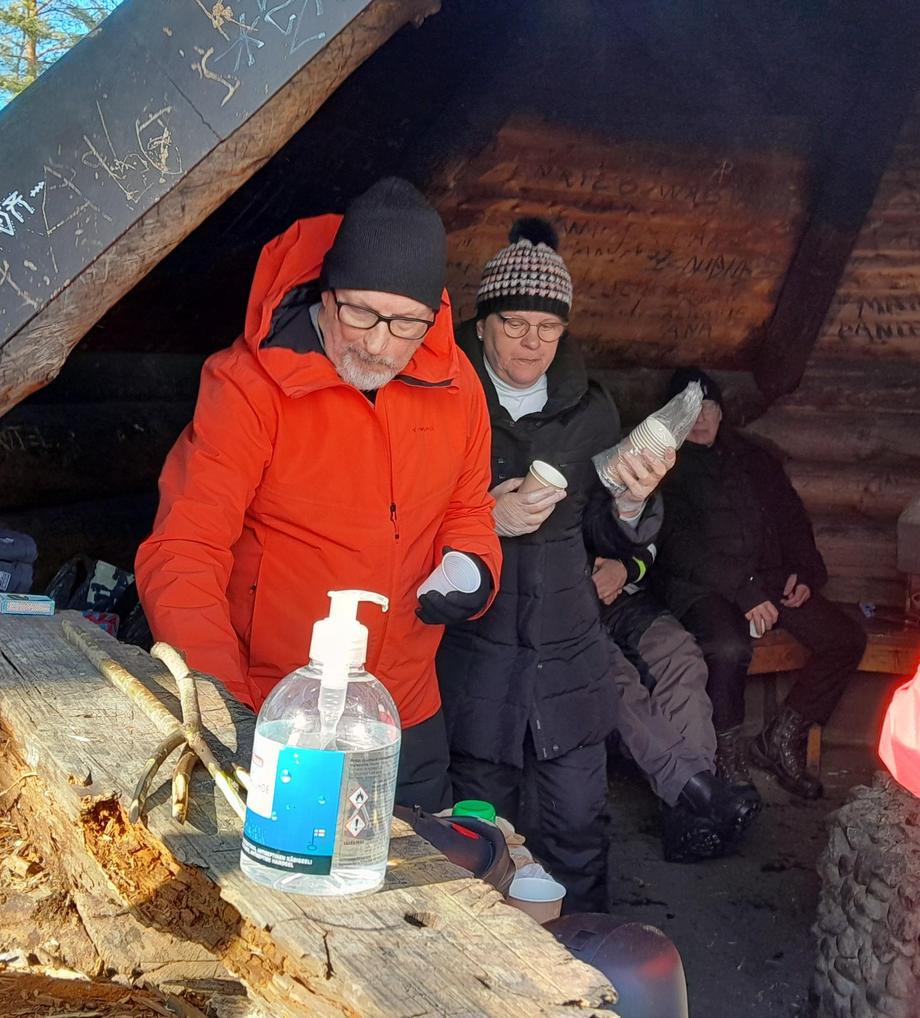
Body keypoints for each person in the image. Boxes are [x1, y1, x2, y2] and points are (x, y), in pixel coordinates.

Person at [135, 177, 503, 812]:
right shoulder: (249, 386)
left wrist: (474, 566)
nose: (379, 344)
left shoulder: (455, 384)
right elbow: (184, 550)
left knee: (420, 866)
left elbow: (468, 508)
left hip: (405, 710)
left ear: (433, 315)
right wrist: (222, 709)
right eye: (360, 313)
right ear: (326, 292)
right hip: (277, 708)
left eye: (407, 323)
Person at [435, 218, 672, 912]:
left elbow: (599, 527)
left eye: (548, 327)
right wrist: (483, 517)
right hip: (473, 664)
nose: (532, 342)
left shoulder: (591, 409)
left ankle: (585, 965)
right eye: (514, 324)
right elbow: (397, 515)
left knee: (577, 834)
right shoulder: (442, 397)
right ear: (482, 324)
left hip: (568, 660)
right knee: (479, 845)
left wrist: (631, 504)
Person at [653, 367, 867, 799]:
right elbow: (679, 547)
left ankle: (779, 739)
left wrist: (804, 571)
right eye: (688, 409)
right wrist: (743, 588)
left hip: (765, 580)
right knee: (727, 648)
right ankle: (727, 755)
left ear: (721, 411)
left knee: (844, 638)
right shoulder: (664, 468)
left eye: (708, 406)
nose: (700, 418)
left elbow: (790, 517)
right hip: (703, 587)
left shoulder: (753, 458)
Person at [595, 559, 759, 861]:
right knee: (616, 682)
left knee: (681, 656)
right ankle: (702, 792)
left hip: (625, 598)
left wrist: (625, 569)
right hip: (565, 608)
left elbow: (652, 543)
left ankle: (689, 813)